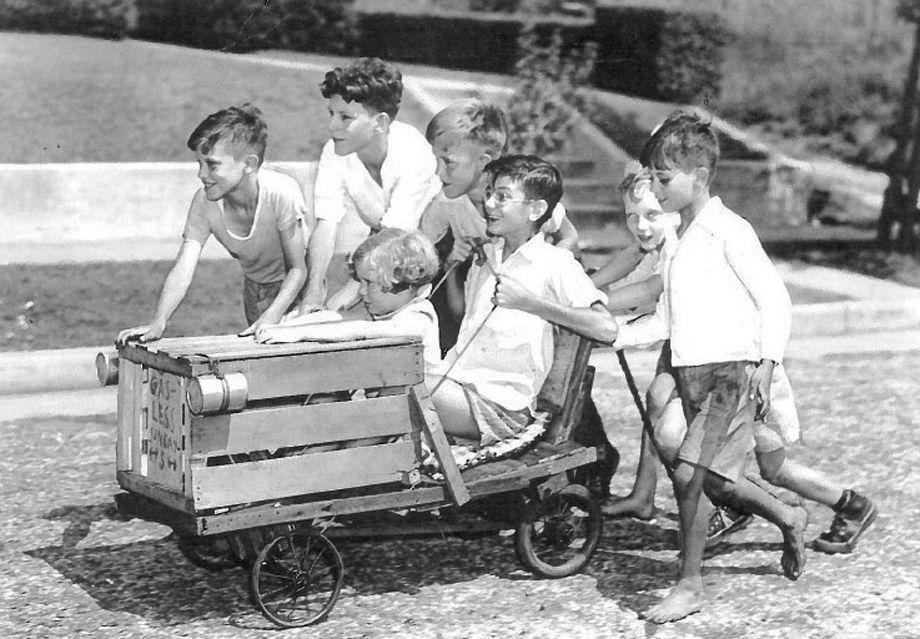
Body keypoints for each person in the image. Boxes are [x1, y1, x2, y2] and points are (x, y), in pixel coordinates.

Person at [608, 164, 877, 555]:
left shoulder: (701, 242)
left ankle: (847, 504)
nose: (641, 226)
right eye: (632, 217)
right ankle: (753, 505)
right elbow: (649, 293)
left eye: (652, 214)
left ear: (673, 206)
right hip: (708, 374)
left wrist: (596, 312)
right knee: (685, 438)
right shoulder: (672, 247)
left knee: (772, 466)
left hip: (743, 372)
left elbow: (651, 295)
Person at [616, 110, 809, 623]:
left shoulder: (729, 230)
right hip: (690, 374)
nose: (654, 190)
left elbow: (775, 300)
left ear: (699, 176)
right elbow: (668, 319)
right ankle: (787, 515)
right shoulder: (678, 236)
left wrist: (766, 364)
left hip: (731, 375)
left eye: (664, 178)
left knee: (690, 472)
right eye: (652, 178)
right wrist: (613, 334)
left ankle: (689, 583)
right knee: (715, 479)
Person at [430, 154, 617, 445]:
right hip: (458, 387)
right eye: (489, 193)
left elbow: (606, 329)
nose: (489, 203)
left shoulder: (555, 263)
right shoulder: (487, 256)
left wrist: (531, 303)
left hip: (502, 407)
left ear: (536, 209)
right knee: (391, 384)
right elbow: (460, 314)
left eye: (502, 197)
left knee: (410, 392)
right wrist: (453, 268)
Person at [116, 104, 309, 345]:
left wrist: (272, 316)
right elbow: (184, 266)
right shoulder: (204, 203)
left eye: (212, 164)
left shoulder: (281, 193)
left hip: (300, 292)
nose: (201, 174)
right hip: (255, 288)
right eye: (199, 163)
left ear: (248, 163)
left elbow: (298, 269)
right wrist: (159, 322)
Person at [420, 98, 580, 351]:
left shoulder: (520, 200)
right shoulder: (445, 204)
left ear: (483, 161)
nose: (438, 172)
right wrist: (452, 257)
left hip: (534, 305)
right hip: (482, 299)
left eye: (448, 162)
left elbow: (569, 237)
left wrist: (543, 267)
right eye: (436, 160)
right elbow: (422, 251)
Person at [299, 57, 442, 315]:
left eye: (346, 118)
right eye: (331, 114)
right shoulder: (335, 150)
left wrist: (335, 305)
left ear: (380, 123)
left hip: (436, 247)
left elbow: (394, 236)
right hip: (384, 243)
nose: (333, 126)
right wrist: (314, 291)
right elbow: (326, 223)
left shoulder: (414, 152)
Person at [256, 228, 441, 377]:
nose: (361, 291)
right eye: (360, 282)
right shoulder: (384, 310)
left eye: (369, 283)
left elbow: (359, 330)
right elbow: (337, 318)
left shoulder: (419, 317)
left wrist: (299, 333)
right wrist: (287, 325)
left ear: (402, 281)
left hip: (426, 404)